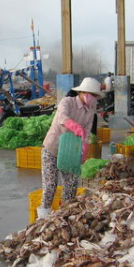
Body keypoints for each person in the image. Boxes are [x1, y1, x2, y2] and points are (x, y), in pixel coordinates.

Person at [37, 77, 103, 219]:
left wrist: (84, 149)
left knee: (71, 184)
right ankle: (42, 218)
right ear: (83, 93)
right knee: (50, 185)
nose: (94, 99)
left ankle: (65, 216)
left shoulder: (91, 109)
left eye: (96, 96)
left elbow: (87, 130)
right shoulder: (68, 102)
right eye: (93, 95)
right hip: (52, 148)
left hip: (70, 152)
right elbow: (61, 116)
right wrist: (74, 126)